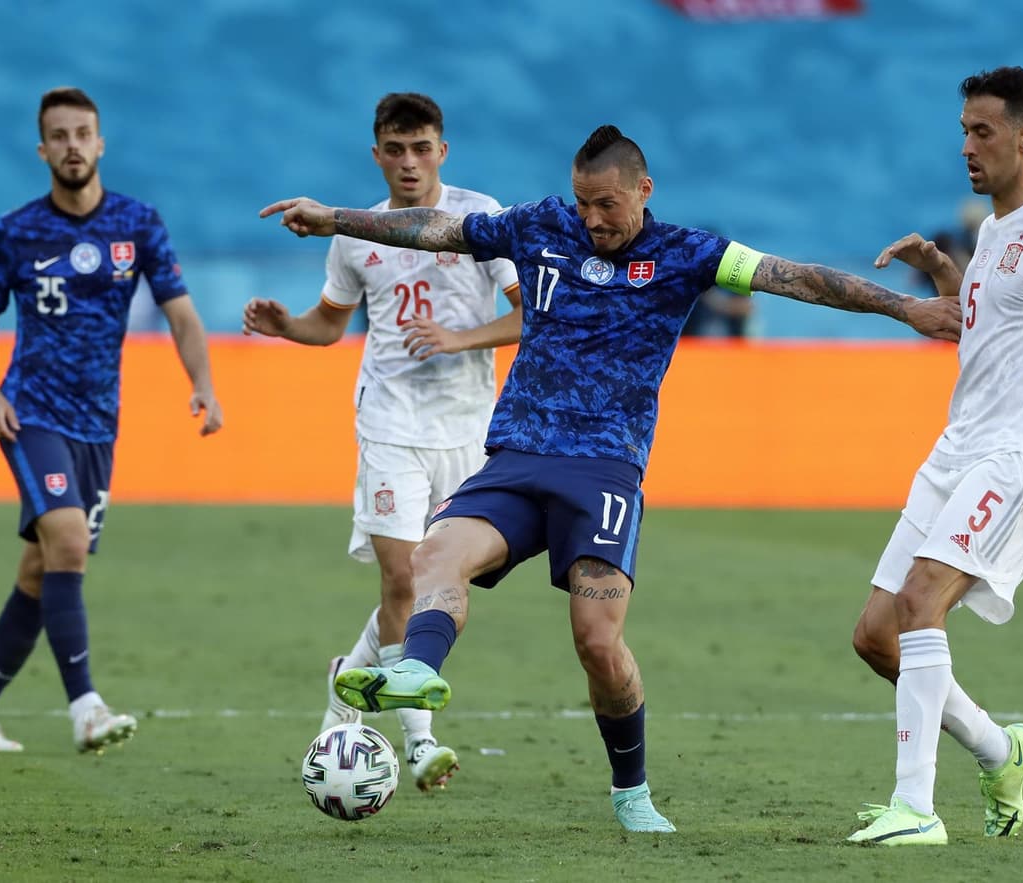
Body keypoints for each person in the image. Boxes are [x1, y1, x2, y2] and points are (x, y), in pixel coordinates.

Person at [259, 124, 961, 833]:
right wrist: (334, 219)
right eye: (583, 203)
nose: (592, 219)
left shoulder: (688, 252)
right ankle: (418, 667)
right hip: (515, 459)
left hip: (603, 472)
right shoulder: (539, 225)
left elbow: (799, 277)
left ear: (643, 190)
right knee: (433, 555)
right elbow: (438, 228)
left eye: (606, 204)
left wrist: (905, 308)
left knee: (598, 642)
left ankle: (631, 791)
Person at [847, 67, 1023, 846]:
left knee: (921, 603)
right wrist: (943, 270)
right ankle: (1002, 751)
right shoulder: (996, 229)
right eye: (964, 130)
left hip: (1017, 456)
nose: (968, 147)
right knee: (876, 635)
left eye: (984, 132)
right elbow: (992, 325)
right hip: (957, 447)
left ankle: (917, 808)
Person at [242, 93, 521, 792]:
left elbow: (532, 318)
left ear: (442, 151)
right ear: (377, 155)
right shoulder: (356, 235)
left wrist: (460, 338)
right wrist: (286, 326)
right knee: (404, 577)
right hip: (391, 424)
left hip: (467, 428)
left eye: (421, 147)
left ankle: (349, 675)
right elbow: (330, 325)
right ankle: (421, 741)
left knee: (444, 582)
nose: (408, 162)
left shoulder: (480, 217)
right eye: (395, 150)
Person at [0, 87, 223, 754]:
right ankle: (88, 708)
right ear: (42, 148)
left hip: (99, 425)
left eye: (83, 134)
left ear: (100, 143)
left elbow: (180, 311)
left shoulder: (138, 223)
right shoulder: (15, 231)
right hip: (32, 413)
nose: (73, 145)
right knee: (68, 542)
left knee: (40, 570)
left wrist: (204, 383)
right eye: (60, 135)